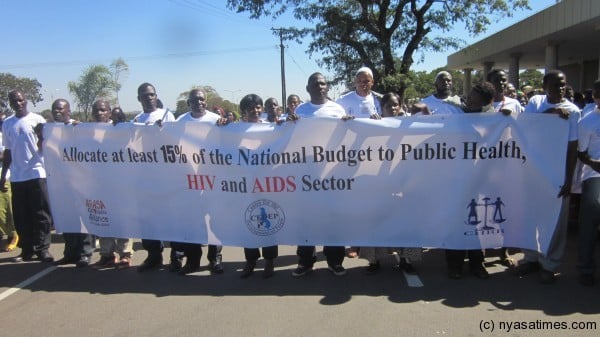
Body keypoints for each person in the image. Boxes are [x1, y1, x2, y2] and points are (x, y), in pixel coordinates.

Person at [512, 70, 581, 284]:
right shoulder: (536, 102)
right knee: (530, 217)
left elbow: (572, 147)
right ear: (544, 85)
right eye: (554, 84)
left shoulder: (573, 111)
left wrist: (569, 178)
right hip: (533, 171)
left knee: (555, 221)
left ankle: (550, 264)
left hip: (557, 173)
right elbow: (524, 125)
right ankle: (530, 258)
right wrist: (550, 115)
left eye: (562, 85)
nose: (559, 89)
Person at [290, 72, 352, 277]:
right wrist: (288, 123)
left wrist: (350, 124)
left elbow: (347, 138)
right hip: (306, 175)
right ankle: (305, 261)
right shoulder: (301, 110)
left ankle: (335, 261)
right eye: (315, 84)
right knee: (306, 220)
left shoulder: (337, 109)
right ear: (308, 88)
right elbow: (291, 140)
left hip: (332, 175)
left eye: (323, 84)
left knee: (333, 219)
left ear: (328, 87)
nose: (320, 87)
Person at [445, 82, 498, 280]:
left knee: (478, 222)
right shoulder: (455, 111)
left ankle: (477, 263)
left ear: (484, 103)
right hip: (456, 177)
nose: (469, 100)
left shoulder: (493, 117)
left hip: (480, 178)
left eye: (474, 99)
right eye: (470, 95)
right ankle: (454, 264)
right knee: (456, 221)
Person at [173, 89, 228, 275]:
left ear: (206, 101)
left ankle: (215, 258)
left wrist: (228, 123)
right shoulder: (180, 122)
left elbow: (227, 142)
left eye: (202, 99)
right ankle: (193, 260)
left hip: (212, 177)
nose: (199, 102)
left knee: (215, 219)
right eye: (195, 99)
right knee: (192, 220)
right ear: (188, 103)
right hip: (188, 178)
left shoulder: (215, 120)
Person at [0, 90, 53, 263]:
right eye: (14, 101)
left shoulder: (38, 120)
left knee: (41, 214)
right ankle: (27, 250)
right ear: (10, 103)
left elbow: (47, 146)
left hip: (37, 172)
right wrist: (3, 177)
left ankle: (43, 249)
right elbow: (7, 152)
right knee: (22, 216)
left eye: (21, 100)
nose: (18, 103)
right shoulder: (7, 123)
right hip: (17, 177)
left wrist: (40, 135)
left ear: (26, 100)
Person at [132, 83, 176, 272]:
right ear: (139, 98)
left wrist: (163, 130)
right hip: (145, 176)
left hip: (165, 176)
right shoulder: (136, 119)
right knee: (148, 219)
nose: (149, 98)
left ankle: (176, 256)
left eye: (151, 94)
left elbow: (174, 142)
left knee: (172, 217)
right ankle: (153, 256)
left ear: (156, 96)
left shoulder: (167, 115)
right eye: (144, 95)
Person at [236, 93, 279, 278]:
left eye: (258, 107)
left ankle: (269, 261)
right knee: (248, 223)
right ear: (243, 112)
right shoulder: (234, 131)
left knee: (270, 221)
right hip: (245, 186)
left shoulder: (272, 129)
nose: (255, 111)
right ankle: (251, 261)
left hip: (268, 185)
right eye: (251, 108)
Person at [90, 100, 134, 269]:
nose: (99, 113)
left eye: (103, 110)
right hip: (98, 182)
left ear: (109, 112)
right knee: (103, 219)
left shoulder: (119, 128)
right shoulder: (87, 131)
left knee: (122, 218)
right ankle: (107, 255)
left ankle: (125, 254)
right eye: (96, 111)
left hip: (119, 181)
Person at [50, 99, 94, 267]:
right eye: (55, 109)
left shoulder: (77, 128)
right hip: (60, 181)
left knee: (82, 217)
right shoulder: (50, 129)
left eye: (61, 109)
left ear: (69, 110)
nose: (57, 112)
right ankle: (70, 253)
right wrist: (41, 135)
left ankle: (85, 253)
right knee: (66, 216)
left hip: (79, 180)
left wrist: (80, 129)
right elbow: (41, 150)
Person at [575, 79, 600, 286]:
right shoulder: (587, 122)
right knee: (590, 218)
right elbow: (581, 154)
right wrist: (594, 163)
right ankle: (585, 267)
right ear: (595, 97)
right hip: (595, 176)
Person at [0, 109, 18, 252]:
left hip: (3, 177)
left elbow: (7, 153)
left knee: (4, 211)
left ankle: (13, 235)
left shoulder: (2, 134)